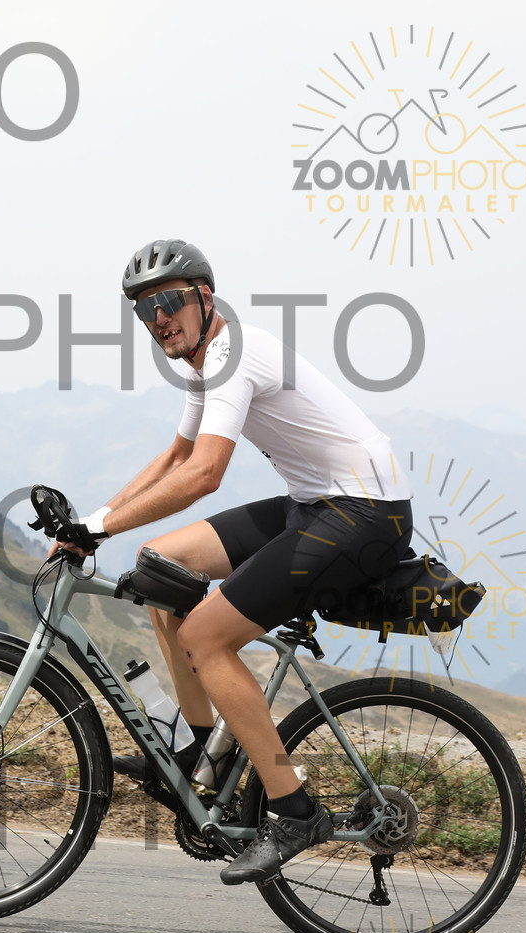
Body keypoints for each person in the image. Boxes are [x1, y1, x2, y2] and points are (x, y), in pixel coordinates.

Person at [55, 240, 413, 886]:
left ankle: (294, 809)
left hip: (365, 514)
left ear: (204, 297)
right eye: (145, 310)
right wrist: (95, 521)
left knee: (204, 636)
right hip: (316, 503)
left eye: (169, 301)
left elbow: (204, 474)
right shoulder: (204, 361)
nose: (159, 319)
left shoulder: (233, 354)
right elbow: (175, 456)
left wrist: (98, 527)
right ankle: (203, 754)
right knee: (161, 565)